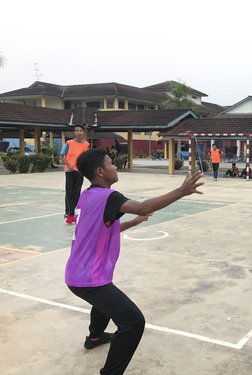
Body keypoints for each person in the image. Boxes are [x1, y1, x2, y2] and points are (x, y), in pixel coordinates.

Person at [65, 148, 203, 374]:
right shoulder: (109, 196)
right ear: (100, 171)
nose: (115, 166)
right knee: (133, 322)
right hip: (88, 277)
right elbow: (143, 206)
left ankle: (95, 337)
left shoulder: (87, 195)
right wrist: (182, 190)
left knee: (105, 303)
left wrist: (133, 224)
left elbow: (102, 228)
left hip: (77, 274)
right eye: (111, 163)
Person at [60, 124, 90, 224]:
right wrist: (69, 165)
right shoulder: (69, 143)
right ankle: (70, 214)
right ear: (74, 133)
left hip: (79, 171)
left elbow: (86, 158)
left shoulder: (86, 144)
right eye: (77, 131)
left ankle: (75, 213)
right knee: (69, 193)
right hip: (69, 171)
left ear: (83, 132)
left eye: (81, 130)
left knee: (76, 193)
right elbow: (61, 156)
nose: (79, 132)